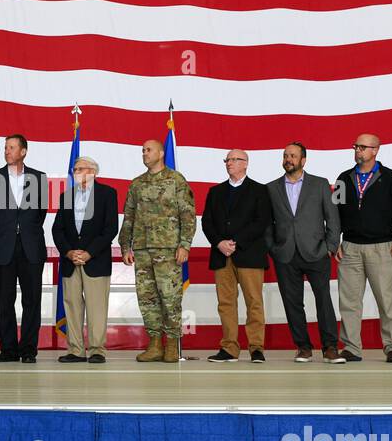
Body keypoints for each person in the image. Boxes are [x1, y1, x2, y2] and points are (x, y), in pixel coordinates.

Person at [334, 135, 392, 363]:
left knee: (387, 300)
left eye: (362, 147)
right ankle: (351, 347)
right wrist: (335, 242)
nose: (357, 150)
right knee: (349, 302)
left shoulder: (390, 178)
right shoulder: (344, 178)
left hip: (382, 247)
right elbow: (335, 212)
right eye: (355, 146)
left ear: (376, 150)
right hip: (350, 248)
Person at [119, 140, 195, 364]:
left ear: (161, 153)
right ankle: (154, 344)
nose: (144, 153)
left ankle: (171, 344)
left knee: (170, 298)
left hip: (169, 250)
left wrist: (185, 245)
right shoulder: (137, 184)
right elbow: (129, 217)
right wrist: (125, 246)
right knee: (147, 299)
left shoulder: (176, 180)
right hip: (142, 250)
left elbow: (188, 215)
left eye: (148, 150)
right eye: (142, 150)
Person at [267, 142, 343, 363]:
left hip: (316, 252)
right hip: (285, 254)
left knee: (324, 301)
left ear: (303, 160)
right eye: (285, 155)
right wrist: (273, 248)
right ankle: (303, 347)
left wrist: (330, 246)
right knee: (292, 303)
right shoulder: (271, 188)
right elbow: (266, 224)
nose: (288, 159)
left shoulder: (319, 184)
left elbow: (333, 218)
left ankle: (330, 347)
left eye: (292, 155)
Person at [201, 149, 273, 363]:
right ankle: (229, 348)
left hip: (249, 254)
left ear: (245, 164)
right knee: (226, 302)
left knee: (254, 302)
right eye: (227, 160)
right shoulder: (215, 192)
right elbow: (207, 222)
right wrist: (219, 242)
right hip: (222, 255)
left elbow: (261, 222)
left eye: (234, 160)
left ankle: (256, 347)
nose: (229, 163)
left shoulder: (260, 190)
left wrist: (236, 242)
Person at [0, 134, 49, 364]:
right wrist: (9, 231)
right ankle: (8, 349)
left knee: (32, 301)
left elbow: (40, 214)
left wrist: (23, 231)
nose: (7, 151)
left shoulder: (39, 179)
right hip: (3, 247)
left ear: (23, 151)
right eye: (5, 147)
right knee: (5, 300)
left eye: (12, 147)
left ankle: (29, 349)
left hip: (31, 247)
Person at [52, 156, 118, 364]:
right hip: (71, 261)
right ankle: (76, 349)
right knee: (72, 305)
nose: (77, 172)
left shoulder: (108, 194)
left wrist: (89, 253)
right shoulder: (66, 196)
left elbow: (110, 229)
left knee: (97, 306)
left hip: (95, 260)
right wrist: (69, 252)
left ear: (93, 172)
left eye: (82, 169)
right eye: (75, 169)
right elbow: (57, 229)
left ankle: (97, 349)